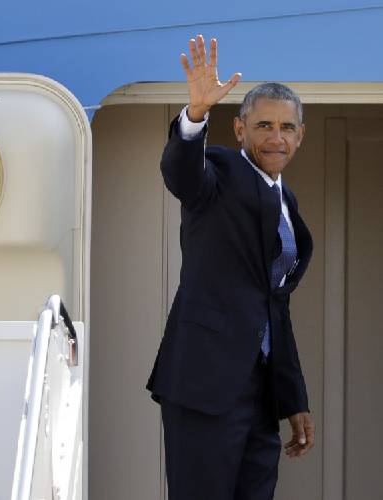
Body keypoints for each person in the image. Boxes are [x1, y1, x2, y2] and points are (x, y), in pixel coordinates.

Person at [146, 35, 315, 500]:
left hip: (261, 394)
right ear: (240, 130)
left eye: (286, 127)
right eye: (263, 125)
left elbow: (274, 307)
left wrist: (293, 399)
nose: (275, 137)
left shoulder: (287, 202)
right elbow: (183, 174)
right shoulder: (219, 172)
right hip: (205, 382)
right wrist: (196, 115)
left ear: (300, 135)